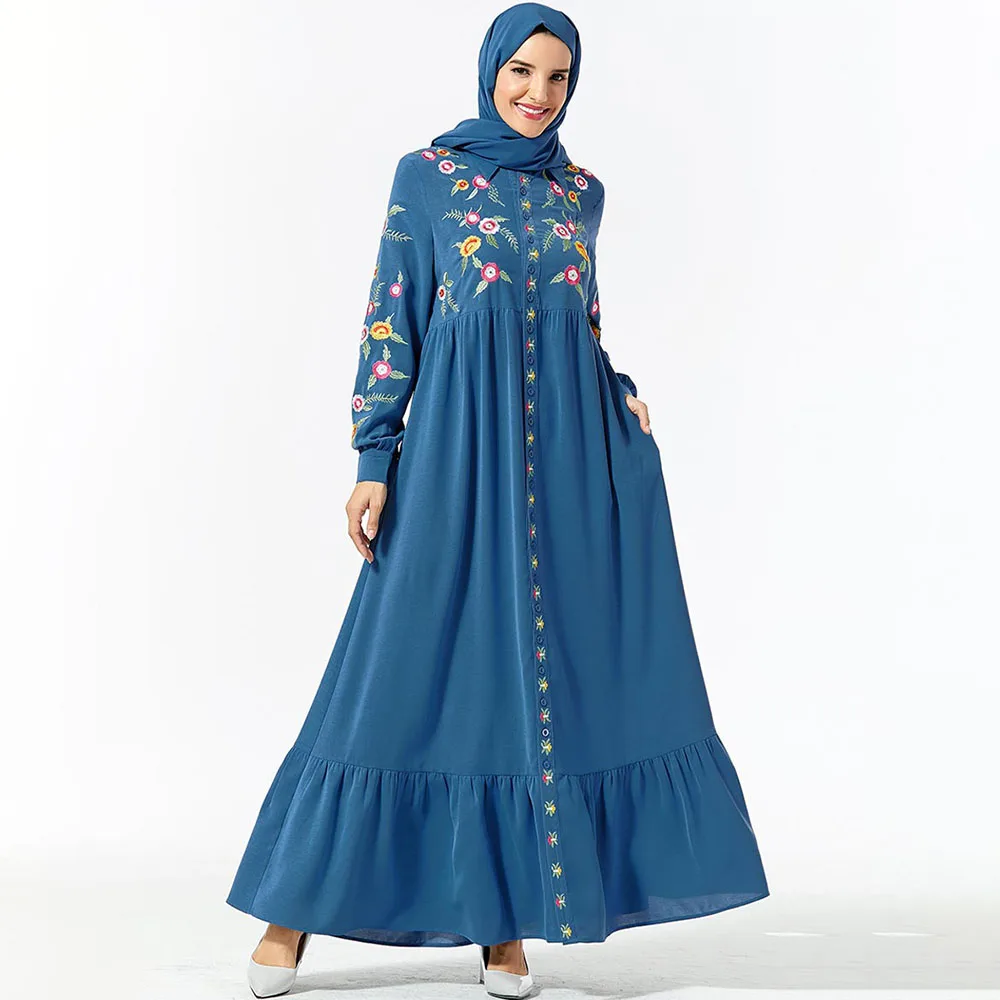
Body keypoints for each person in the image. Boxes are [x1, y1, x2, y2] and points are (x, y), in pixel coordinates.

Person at [226, 4, 770, 997]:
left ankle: (502, 923)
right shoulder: (427, 176)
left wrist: (618, 394)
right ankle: (290, 910)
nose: (537, 93)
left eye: (557, 77)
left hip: (569, 459)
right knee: (390, 672)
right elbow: (391, 315)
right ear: (490, 71)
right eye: (521, 71)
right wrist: (374, 456)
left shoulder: (581, 192)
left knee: (539, 679)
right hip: (452, 455)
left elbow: (578, 322)